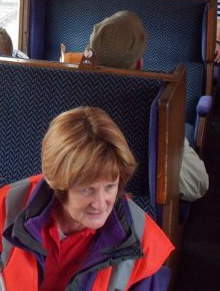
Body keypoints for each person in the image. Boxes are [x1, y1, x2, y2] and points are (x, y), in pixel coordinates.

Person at [0, 106, 174, 290]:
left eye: (110, 186)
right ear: (58, 184)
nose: (101, 204)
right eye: (87, 190)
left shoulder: (143, 242)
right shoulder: (5, 210)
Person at [86, 11, 209, 202]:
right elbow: (198, 184)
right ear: (139, 63)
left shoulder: (62, 90)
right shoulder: (158, 106)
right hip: (136, 210)